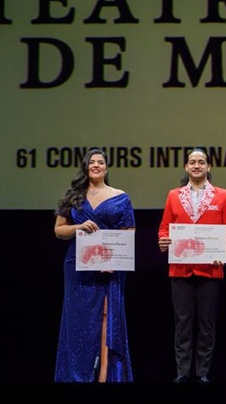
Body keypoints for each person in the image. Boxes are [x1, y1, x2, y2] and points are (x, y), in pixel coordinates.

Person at [158, 148, 226, 384]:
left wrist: (223, 253)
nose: (196, 166)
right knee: (182, 323)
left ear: (208, 167)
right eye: (192, 162)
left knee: (206, 324)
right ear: (186, 167)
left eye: (201, 162)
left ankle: (203, 372)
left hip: (210, 269)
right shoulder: (174, 195)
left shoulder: (223, 195)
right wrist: (163, 241)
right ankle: (183, 372)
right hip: (180, 269)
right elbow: (165, 228)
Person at [54, 148, 135, 382]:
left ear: (107, 168)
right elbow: (59, 230)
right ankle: (76, 377)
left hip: (109, 269)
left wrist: (113, 261)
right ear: (86, 167)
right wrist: (78, 227)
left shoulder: (121, 197)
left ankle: (104, 377)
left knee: (106, 321)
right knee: (77, 324)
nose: (96, 165)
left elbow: (129, 232)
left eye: (100, 162)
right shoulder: (73, 196)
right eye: (92, 162)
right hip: (77, 267)